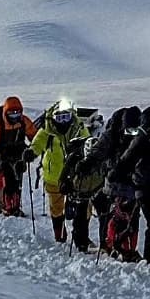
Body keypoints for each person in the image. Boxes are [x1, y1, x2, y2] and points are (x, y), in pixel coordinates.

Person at [31, 97, 100, 247]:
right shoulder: (47, 130)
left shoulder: (79, 128)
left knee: (84, 206)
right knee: (56, 207)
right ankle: (59, 233)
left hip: (76, 175)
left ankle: (81, 236)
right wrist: (31, 152)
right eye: (59, 117)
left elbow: (87, 144)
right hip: (53, 175)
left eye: (66, 117)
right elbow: (37, 143)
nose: (63, 121)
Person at [86, 106, 149, 260]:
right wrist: (90, 163)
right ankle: (107, 245)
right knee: (110, 217)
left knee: (132, 219)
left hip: (133, 184)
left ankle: (127, 248)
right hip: (113, 182)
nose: (132, 134)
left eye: (135, 130)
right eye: (129, 131)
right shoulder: (112, 135)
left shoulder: (143, 137)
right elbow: (99, 150)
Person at [0, 96, 35, 215]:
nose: (15, 117)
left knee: (17, 181)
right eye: (12, 114)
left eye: (17, 113)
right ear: (6, 113)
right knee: (6, 180)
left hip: (19, 155)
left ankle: (15, 205)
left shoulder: (24, 121)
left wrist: (35, 148)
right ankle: (6, 205)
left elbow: (34, 135)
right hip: (3, 156)